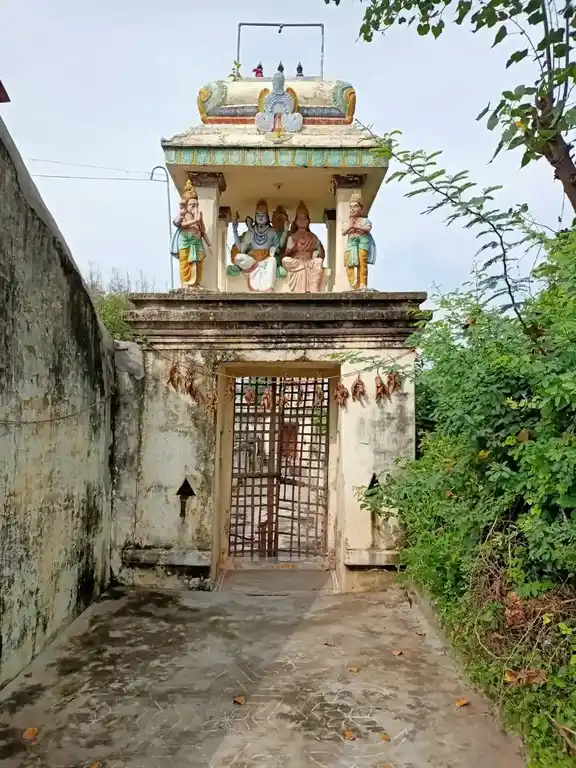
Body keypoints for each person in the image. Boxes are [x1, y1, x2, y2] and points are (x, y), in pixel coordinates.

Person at [232, 199, 279, 292]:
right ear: (255, 216)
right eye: (258, 215)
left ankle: (268, 288)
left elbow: (278, 249)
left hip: (266, 259)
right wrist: (234, 231)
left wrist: (274, 249)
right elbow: (242, 249)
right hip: (252, 260)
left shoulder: (272, 232)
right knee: (238, 257)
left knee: (273, 260)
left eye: (263, 215)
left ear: (267, 217)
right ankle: (255, 269)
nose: (260, 217)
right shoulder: (251, 231)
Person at [171, 180, 210, 288]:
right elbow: (180, 224)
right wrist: (194, 220)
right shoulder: (183, 215)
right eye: (192, 205)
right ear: (186, 205)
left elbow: (203, 230)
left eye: (196, 205)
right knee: (185, 263)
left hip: (197, 242)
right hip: (185, 242)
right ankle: (186, 283)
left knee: (199, 262)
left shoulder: (198, 215)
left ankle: (197, 282)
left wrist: (200, 221)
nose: (195, 207)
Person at [282, 201, 325, 293]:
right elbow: (286, 254)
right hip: (297, 261)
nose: (302, 221)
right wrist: (289, 249)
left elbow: (320, 252)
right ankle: (302, 268)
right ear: (296, 221)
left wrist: (316, 253)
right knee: (285, 260)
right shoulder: (292, 236)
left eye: (304, 219)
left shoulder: (313, 237)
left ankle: (314, 288)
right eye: (299, 219)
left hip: (309, 261)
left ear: (308, 221)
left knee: (319, 261)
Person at [342, 191, 376, 291]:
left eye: (356, 206)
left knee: (362, 263)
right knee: (349, 264)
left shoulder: (365, 220)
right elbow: (343, 232)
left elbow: (368, 229)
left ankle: (363, 284)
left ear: (361, 209)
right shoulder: (348, 221)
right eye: (351, 207)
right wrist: (350, 227)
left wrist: (357, 227)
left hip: (362, 243)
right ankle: (353, 285)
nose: (353, 209)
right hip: (351, 244)